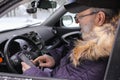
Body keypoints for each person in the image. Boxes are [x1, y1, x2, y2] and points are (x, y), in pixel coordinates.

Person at [21, 0, 120, 80]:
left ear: (99, 18)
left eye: (79, 17)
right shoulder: (98, 43)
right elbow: (72, 47)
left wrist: (33, 74)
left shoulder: (98, 60)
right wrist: (54, 58)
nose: (77, 22)